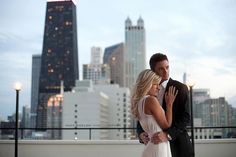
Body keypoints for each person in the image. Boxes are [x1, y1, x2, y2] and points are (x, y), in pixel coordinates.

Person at [137, 53, 194, 157]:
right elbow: (142, 116)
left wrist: (168, 135)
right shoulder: (147, 93)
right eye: (161, 69)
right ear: (153, 71)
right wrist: (140, 134)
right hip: (155, 147)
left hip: (179, 147)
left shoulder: (180, 88)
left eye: (167, 67)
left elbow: (185, 118)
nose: (166, 71)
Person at [131, 69, 178, 157]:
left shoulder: (139, 102)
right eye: (155, 84)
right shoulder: (151, 100)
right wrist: (169, 104)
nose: (158, 87)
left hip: (152, 146)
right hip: (158, 146)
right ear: (147, 84)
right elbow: (166, 125)